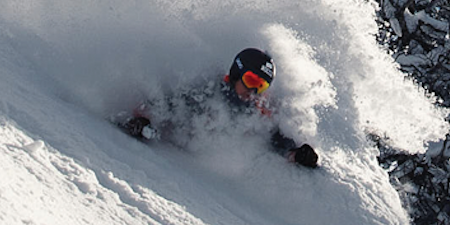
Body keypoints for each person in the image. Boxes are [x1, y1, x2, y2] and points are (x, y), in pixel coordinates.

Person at [121, 47, 319, 168]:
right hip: (169, 151)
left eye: (261, 86)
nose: (253, 91)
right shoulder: (207, 89)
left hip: (195, 164)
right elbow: (165, 103)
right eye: (251, 80)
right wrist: (142, 120)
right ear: (237, 73)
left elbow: (275, 137)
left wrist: (297, 153)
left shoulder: (257, 110)